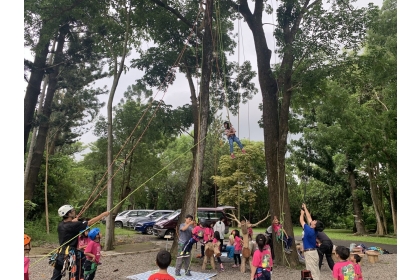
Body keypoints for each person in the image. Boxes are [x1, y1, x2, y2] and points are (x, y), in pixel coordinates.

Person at [50, 204, 109, 280]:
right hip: (71, 255)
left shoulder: (61, 225)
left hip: (61, 253)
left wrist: (73, 221)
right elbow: (90, 222)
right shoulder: (74, 225)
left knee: (56, 276)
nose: (74, 212)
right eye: (73, 211)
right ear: (69, 214)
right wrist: (103, 215)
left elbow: (70, 225)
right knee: (74, 276)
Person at [300, 203, 323, 280]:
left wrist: (302, 214)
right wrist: (305, 208)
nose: (314, 220)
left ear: (314, 225)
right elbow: (309, 218)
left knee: (312, 273)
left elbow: (301, 221)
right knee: (316, 271)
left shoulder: (309, 230)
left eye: (315, 221)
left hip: (310, 254)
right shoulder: (314, 230)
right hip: (314, 253)